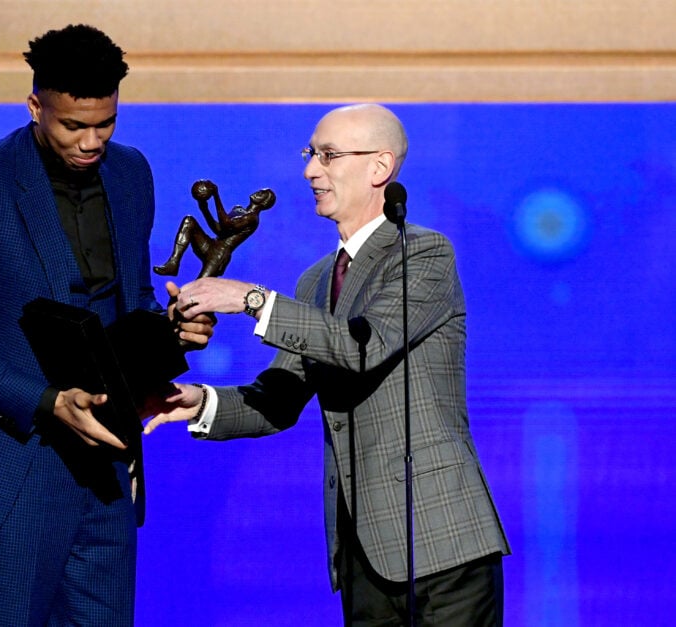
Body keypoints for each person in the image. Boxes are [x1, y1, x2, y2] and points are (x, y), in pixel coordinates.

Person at [0, 24, 212, 625]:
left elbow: (131, 302)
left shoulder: (130, 173)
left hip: (108, 465)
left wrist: (170, 331)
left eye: (106, 124)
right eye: (73, 126)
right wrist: (43, 401)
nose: (92, 142)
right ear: (35, 106)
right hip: (10, 467)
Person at [144, 104, 510, 626]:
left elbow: (363, 346)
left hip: (441, 541)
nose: (310, 171)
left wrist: (251, 299)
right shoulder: (316, 280)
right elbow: (279, 399)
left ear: (380, 167)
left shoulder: (424, 254)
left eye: (328, 155)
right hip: (360, 549)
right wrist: (199, 402)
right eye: (310, 154)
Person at [154, 179, 276, 278]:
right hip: (211, 245)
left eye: (262, 194)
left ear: (264, 203)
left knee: (199, 289)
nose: (258, 192)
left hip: (219, 255)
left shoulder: (252, 218)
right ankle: (173, 263)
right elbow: (219, 230)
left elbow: (227, 224)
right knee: (189, 221)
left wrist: (216, 195)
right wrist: (204, 208)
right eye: (260, 191)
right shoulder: (238, 209)